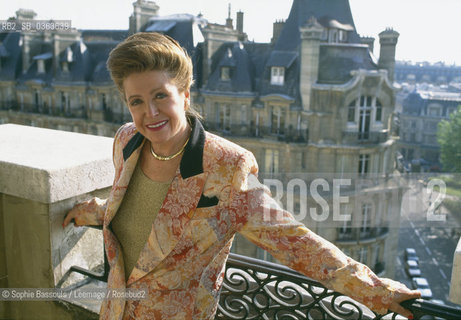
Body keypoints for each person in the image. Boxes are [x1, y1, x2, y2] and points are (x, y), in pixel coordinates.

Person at [63, 32, 420, 320]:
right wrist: (96, 211)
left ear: (185, 96)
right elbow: (139, 209)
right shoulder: (127, 141)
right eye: (136, 101)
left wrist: (375, 290)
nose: (149, 112)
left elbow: (294, 240)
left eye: (161, 96)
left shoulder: (226, 166)